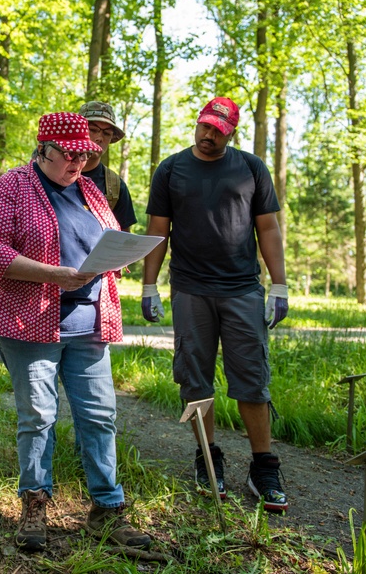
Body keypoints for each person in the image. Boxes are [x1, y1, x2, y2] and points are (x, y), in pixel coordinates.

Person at [0, 111, 152, 552]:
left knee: (99, 416)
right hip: (29, 322)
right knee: (38, 416)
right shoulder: (11, 186)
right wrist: (51, 274)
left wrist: (121, 253)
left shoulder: (91, 190)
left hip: (89, 321)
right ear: (44, 149)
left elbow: (111, 238)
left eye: (85, 155)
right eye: (70, 155)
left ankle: (107, 510)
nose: (78, 164)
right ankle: (35, 503)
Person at [141, 96, 290, 513]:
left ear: (232, 133)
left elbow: (268, 228)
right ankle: (209, 460)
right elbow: (158, 231)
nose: (208, 136)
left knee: (251, 378)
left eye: (218, 132)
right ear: (197, 123)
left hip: (242, 289)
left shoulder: (250, 168)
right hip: (190, 289)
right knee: (195, 379)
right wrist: (149, 286)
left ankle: (263, 466)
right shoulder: (171, 169)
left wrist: (279, 285)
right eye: (205, 127)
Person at [78, 101, 138, 232]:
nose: (99, 138)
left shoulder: (115, 186)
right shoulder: (52, 172)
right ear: (78, 131)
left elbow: (123, 239)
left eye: (106, 133)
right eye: (93, 130)